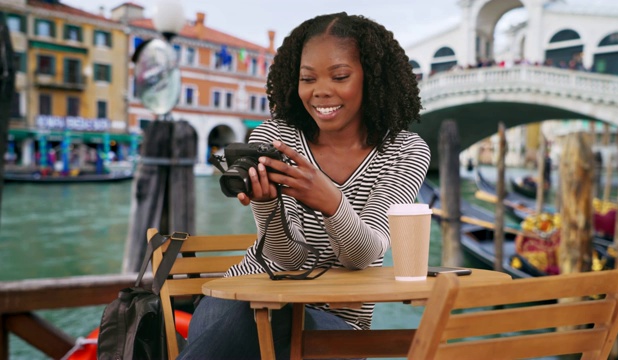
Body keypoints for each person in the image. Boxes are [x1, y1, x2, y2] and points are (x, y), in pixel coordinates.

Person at [178, 12, 430, 359]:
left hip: (337, 319)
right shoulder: (275, 136)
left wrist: (331, 202)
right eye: (307, 78)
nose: (320, 91)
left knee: (277, 317)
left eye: (340, 76)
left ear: (372, 78)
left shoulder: (404, 151)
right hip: (243, 296)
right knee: (259, 311)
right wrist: (266, 205)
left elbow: (364, 255)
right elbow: (287, 261)